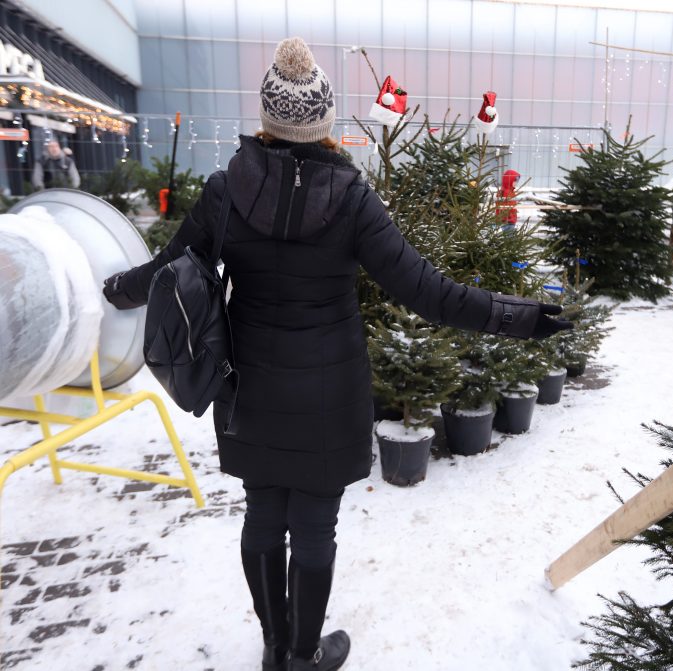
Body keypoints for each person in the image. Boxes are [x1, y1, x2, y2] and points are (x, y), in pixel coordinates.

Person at [101, 37, 570, 671]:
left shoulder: (225, 190)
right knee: (315, 526)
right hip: (332, 394)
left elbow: (163, 272)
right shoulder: (352, 199)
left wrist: (110, 288)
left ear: (268, 117)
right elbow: (428, 293)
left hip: (251, 389)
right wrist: (520, 315)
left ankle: (274, 648)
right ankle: (302, 655)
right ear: (323, 121)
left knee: (264, 514)